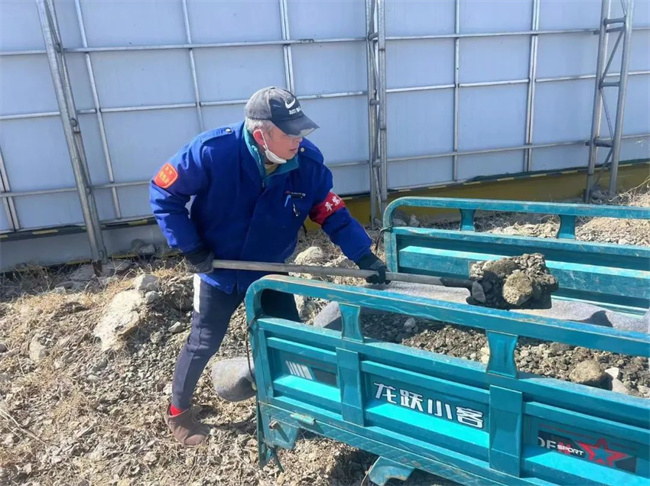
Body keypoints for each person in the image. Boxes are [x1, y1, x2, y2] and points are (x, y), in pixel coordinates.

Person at [149, 86, 389, 447]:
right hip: (217, 270)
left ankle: (294, 402)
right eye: (290, 133)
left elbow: (330, 211)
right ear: (262, 135)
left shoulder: (306, 164)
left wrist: (364, 256)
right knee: (204, 341)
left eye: (301, 130)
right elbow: (164, 192)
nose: (298, 139)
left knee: (288, 337)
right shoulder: (213, 152)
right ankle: (178, 411)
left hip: (269, 269)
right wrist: (191, 247)